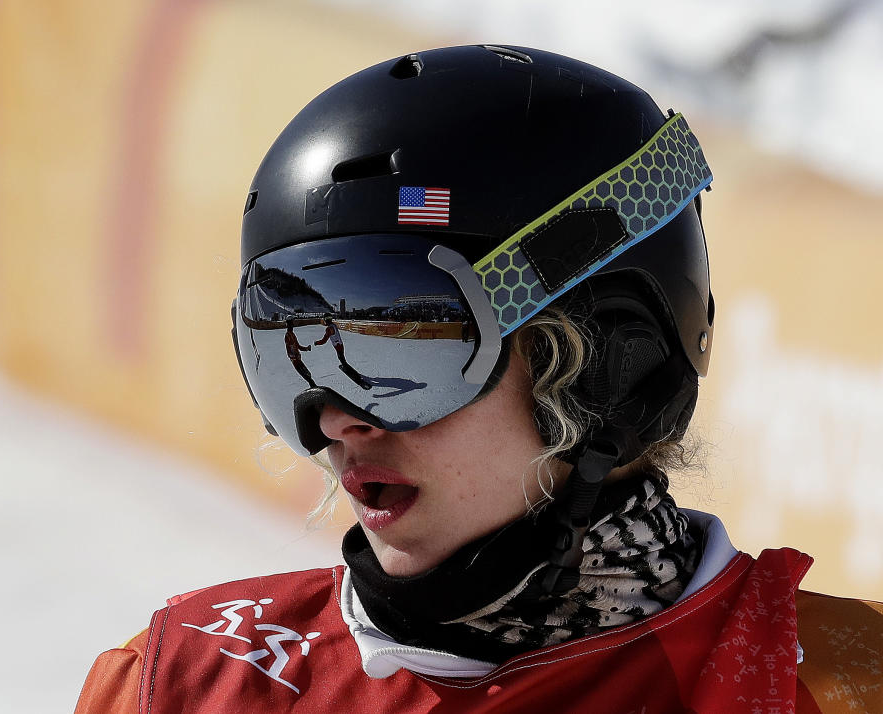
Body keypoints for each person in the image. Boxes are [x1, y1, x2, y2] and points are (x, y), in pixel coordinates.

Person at [75, 45, 883, 713]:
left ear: (608, 367)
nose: (336, 420)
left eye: (401, 344)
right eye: (290, 350)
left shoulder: (840, 687)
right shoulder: (190, 684)